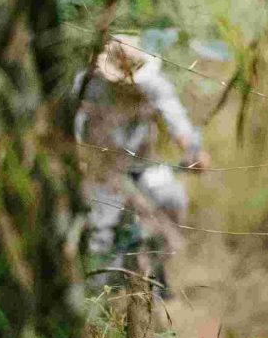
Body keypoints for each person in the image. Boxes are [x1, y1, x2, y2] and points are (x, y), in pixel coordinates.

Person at [73, 33, 208, 287]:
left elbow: (178, 123)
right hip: (102, 170)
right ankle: (103, 296)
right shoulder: (88, 87)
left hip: (144, 165)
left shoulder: (155, 86)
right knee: (101, 231)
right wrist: (78, 158)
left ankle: (153, 271)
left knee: (172, 199)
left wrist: (193, 152)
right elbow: (74, 125)